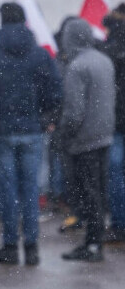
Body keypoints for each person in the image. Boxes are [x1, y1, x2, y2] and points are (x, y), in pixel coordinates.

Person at [0, 2, 61, 265]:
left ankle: (10, 245)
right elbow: (54, 91)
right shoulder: (40, 55)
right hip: (32, 129)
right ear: (25, 21)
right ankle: (31, 247)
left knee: (7, 189)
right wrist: (42, 117)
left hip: (2, 129)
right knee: (30, 188)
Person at [56, 19, 115, 262]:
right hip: (104, 136)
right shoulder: (104, 61)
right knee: (99, 192)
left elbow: (74, 111)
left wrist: (63, 135)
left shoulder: (77, 66)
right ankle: (95, 240)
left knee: (87, 193)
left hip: (84, 139)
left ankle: (92, 244)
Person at [102, 5, 125, 244]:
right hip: (116, 119)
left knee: (115, 175)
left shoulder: (109, 49)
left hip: (115, 121)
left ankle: (119, 224)